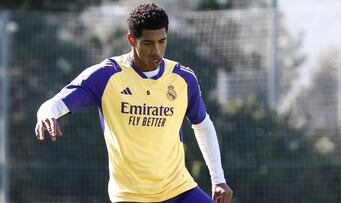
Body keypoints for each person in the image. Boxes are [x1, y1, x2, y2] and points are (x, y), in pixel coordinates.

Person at [34, 3, 233, 203]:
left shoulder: (183, 78)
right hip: (130, 196)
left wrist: (218, 179)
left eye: (162, 41)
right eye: (148, 43)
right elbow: (56, 103)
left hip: (179, 190)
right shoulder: (106, 76)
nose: (157, 50)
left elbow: (202, 125)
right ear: (132, 39)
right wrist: (46, 115)